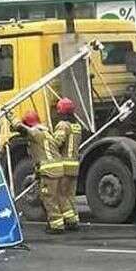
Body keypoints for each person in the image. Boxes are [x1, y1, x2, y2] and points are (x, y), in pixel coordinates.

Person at [18, 108, 67, 234]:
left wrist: (13, 121)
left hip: (49, 171)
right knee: (55, 197)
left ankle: (56, 226)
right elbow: (42, 155)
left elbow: (23, 129)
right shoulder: (46, 131)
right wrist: (35, 176)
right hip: (57, 168)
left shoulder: (35, 132)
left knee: (48, 197)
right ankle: (57, 222)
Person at [50, 98, 84, 232]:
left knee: (60, 195)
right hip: (74, 164)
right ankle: (74, 218)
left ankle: (70, 221)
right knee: (70, 195)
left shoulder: (63, 125)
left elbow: (56, 142)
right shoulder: (77, 126)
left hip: (64, 165)